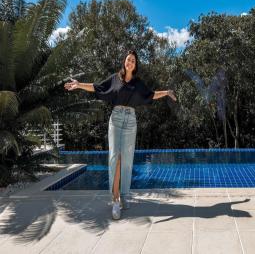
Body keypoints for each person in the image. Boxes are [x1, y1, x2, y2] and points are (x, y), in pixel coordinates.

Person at [64, 49, 177, 220]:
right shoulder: (115, 78)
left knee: (126, 160)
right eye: (128, 59)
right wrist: (79, 84)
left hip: (131, 121)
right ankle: (115, 200)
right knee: (114, 158)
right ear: (124, 62)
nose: (130, 62)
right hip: (116, 119)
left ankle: (124, 195)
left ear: (135, 65)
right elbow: (97, 87)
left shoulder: (138, 83)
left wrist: (166, 93)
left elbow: (151, 95)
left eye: (133, 60)